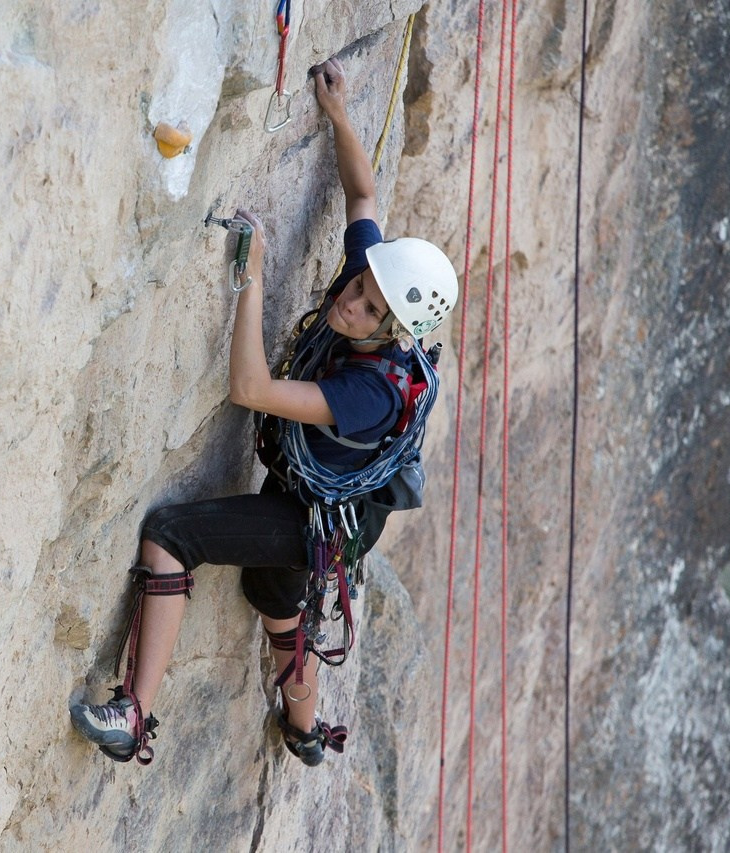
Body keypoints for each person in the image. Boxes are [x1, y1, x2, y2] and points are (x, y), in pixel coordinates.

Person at [69, 57, 459, 767]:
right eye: (359, 287)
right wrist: (339, 115)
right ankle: (305, 731)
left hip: (316, 517)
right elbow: (363, 194)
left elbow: (250, 388)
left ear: (395, 333)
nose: (349, 301)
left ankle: (133, 713)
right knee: (272, 594)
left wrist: (249, 280)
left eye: (367, 307)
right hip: (320, 498)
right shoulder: (374, 284)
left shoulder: (371, 392)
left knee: (170, 534)